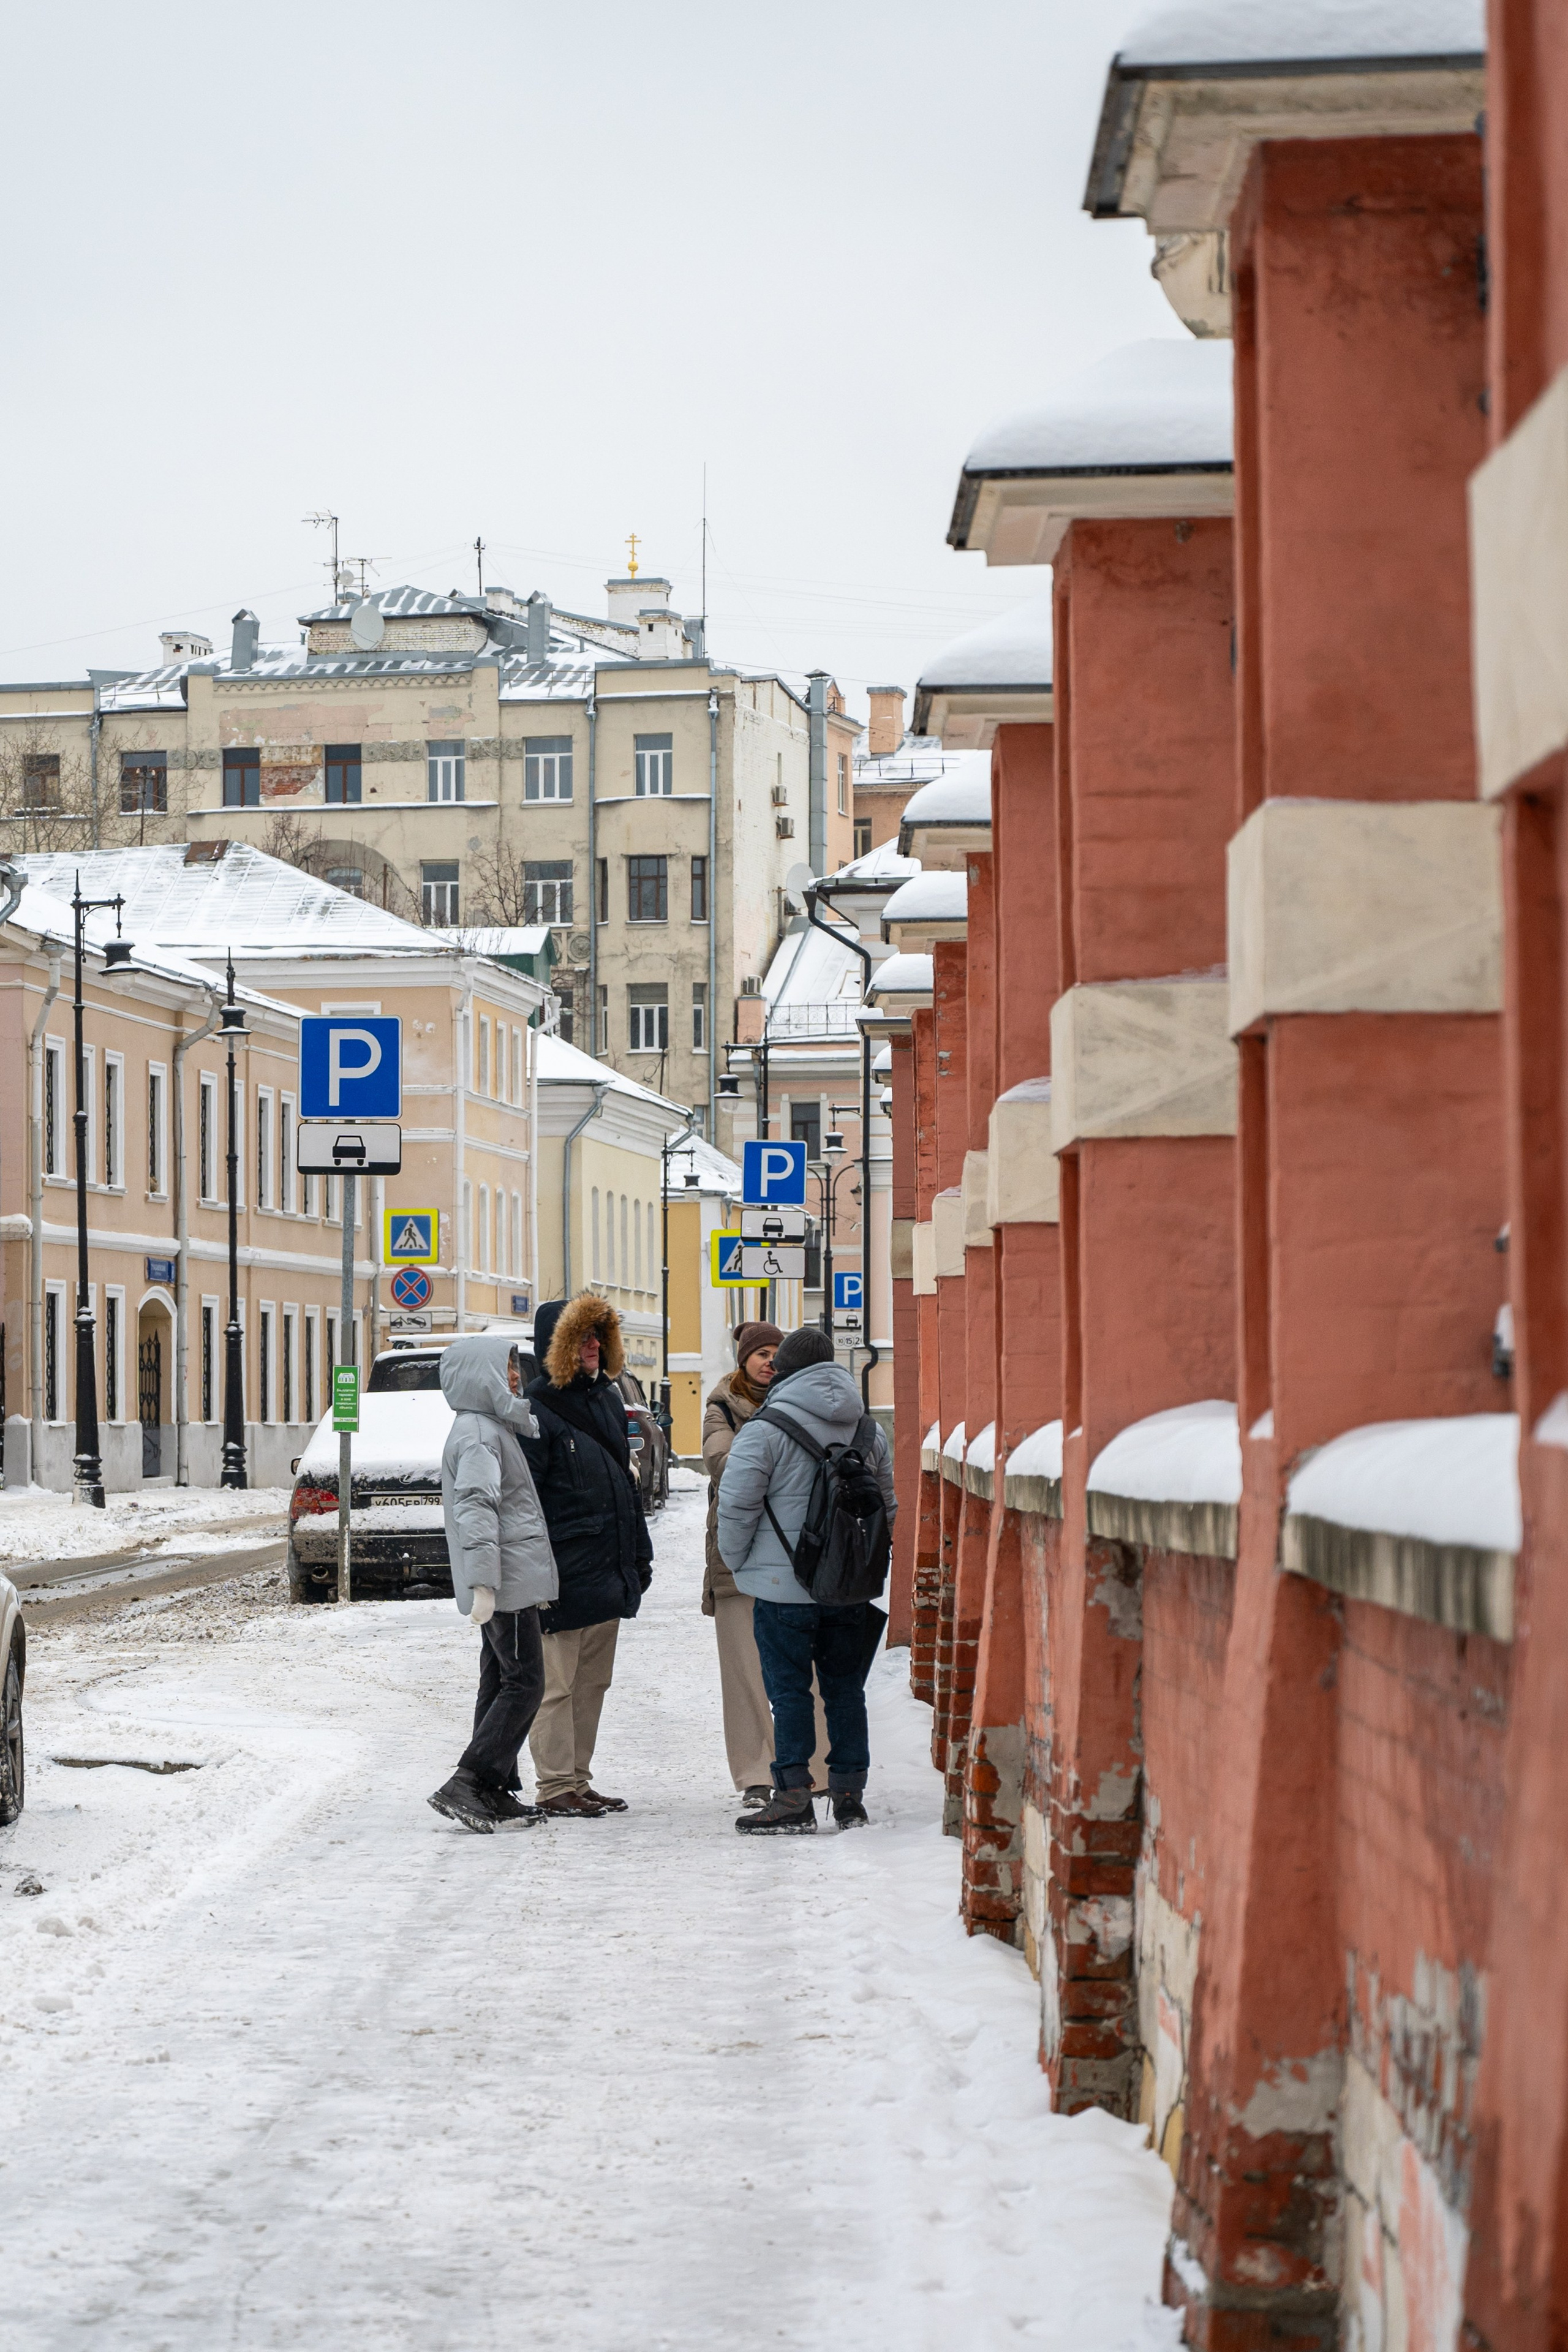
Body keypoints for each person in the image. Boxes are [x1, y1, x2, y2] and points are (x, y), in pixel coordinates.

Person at [717, 1325, 896, 1835]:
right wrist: (863, 1564)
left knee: (790, 1693)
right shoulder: (868, 1429)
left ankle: (793, 1795)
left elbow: (737, 1507)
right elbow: (887, 1506)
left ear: (789, 1371)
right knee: (844, 1691)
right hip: (848, 1587)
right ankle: (848, 1797)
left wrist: (741, 1564)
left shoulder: (765, 1429)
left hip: (781, 1590)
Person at [520, 1294, 653, 1817]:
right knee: (556, 1685)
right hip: (559, 1573)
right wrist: (535, 1570)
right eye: (582, 1338)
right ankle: (554, 1786)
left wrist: (637, 1558)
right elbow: (526, 1499)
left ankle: (577, 1777)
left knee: (593, 1682)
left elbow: (624, 1484)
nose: (594, 1346)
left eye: (599, 1336)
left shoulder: (606, 1400)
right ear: (558, 1348)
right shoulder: (535, 1410)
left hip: (605, 1568)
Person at [428, 1335, 558, 1834]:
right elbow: (476, 1509)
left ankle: (493, 1788)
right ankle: (469, 1780)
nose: (515, 1378)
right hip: (507, 1582)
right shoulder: (480, 1435)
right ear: (479, 1376)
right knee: (526, 1683)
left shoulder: (488, 1428)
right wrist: (485, 1584)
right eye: (505, 1369)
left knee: (500, 1680)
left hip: (508, 1576)